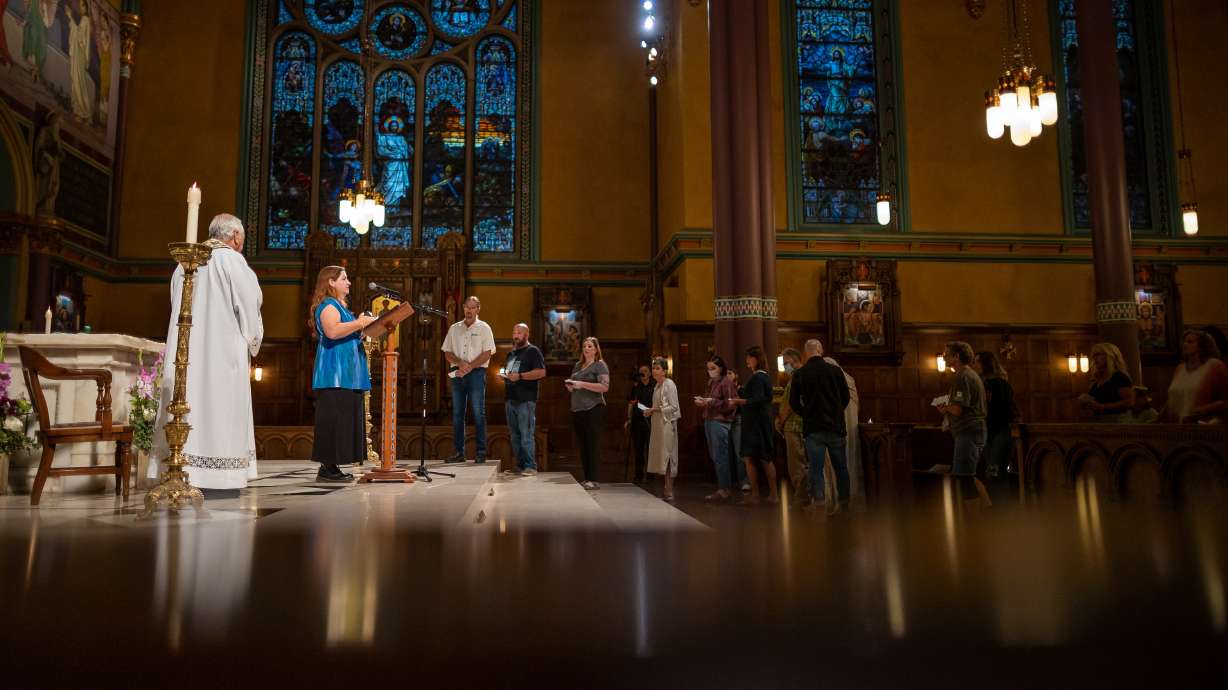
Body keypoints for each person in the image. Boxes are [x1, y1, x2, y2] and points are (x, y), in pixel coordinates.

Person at [149, 214, 264, 497]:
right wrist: (252, 339)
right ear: (235, 237)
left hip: (186, 354)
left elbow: (177, 304)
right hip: (223, 356)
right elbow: (249, 304)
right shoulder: (232, 261)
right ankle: (220, 477)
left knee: (189, 403)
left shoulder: (184, 263)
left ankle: (183, 468)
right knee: (220, 410)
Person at [307, 266, 392, 481]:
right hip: (334, 373)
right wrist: (359, 323)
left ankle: (332, 466)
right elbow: (332, 331)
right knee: (334, 420)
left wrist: (362, 330)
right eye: (344, 278)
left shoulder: (341, 307)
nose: (349, 282)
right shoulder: (328, 305)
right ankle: (327, 468)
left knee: (343, 420)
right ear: (331, 282)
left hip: (347, 373)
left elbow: (346, 331)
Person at [791, 339, 851, 516]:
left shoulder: (800, 374)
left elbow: (794, 402)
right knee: (841, 467)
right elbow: (845, 397)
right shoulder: (835, 371)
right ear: (821, 350)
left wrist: (807, 414)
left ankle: (819, 503)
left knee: (816, 469)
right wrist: (836, 413)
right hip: (835, 426)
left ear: (806, 352)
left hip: (813, 428)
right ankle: (844, 504)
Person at [935, 341, 990, 509]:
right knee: (970, 475)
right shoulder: (971, 374)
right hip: (975, 430)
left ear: (956, 356)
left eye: (946, 355)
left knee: (964, 477)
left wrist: (944, 407)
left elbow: (959, 409)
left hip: (968, 431)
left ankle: (974, 524)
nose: (944, 358)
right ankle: (988, 509)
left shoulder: (962, 376)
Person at [441, 296, 496, 463]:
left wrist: (469, 366)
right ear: (463, 308)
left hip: (476, 374)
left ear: (478, 309)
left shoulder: (484, 328)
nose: (469, 311)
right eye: (467, 307)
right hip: (458, 374)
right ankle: (459, 453)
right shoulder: (454, 328)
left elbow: (488, 353)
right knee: (458, 414)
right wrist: (460, 363)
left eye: (473, 307)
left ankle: (481, 453)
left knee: (479, 413)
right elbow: (447, 352)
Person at [730, 346, 777, 505]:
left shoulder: (758, 378)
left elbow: (758, 399)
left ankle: (758, 495)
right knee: (763, 457)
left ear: (756, 359)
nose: (747, 361)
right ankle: (772, 495)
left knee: (755, 458)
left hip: (755, 423)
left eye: (749, 358)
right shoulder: (762, 377)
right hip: (759, 422)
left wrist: (739, 401)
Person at [502, 323, 546, 476]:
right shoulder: (511, 354)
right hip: (510, 399)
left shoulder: (533, 351)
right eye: (514, 332)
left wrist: (520, 376)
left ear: (526, 334)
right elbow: (506, 371)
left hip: (525, 400)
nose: (516, 335)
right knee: (514, 436)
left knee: (526, 434)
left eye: (519, 332)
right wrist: (503, 374)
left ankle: (530, 466)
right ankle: (520, 466)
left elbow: (541, 372)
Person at [567, 337, 610, 490]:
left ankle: (594, 479)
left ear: (596, 349)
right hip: (578, 409)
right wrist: (571, 386)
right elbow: (573, 383)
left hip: (593, 408)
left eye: (590, 346)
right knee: (583, 445)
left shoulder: (600, 365)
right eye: (584, 346)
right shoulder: (578, 365)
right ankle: (587, 478)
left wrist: (582, 384)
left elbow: (604, 387)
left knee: (593, 444)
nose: (586, 348)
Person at [974, 350, 1017, 500]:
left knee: (997, 472)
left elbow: (1005, 411)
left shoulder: (1000, 384)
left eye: (977, 362)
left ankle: (1002, 510)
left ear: (986, 364)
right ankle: (996, 507)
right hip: (990, 435)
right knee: (991, 472)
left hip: (1000, 433)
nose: (975, 365)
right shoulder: (984, 384)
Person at [694, 355, 738, 502]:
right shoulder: (712, 383)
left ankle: (724, 489)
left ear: (721, 368)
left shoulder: (727, 382)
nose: (710, 371)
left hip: (720, 421)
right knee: (715, 456)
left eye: (713, 368)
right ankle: (722, 487)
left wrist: (712, 402)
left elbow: (731, 404)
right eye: (708, 369)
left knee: (721, 456)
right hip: (709, 420)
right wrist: (703, 401)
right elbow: (711, 400)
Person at [822, 349, 861, 506]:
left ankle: (833, 495)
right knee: (845, 460)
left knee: (834, 462)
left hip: (834, 427)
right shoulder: (849, 380)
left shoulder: (832, 381)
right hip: (849, 426)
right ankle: (844, 495)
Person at [1167, 329, 1228, 423]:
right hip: (1177, 426)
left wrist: (1206, 409)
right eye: (1184, 342)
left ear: (1202, 346)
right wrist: (1158, 419)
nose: (1185, 344)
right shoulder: (1180, 368)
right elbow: (1171, 399)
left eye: (1190, 342)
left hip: (1204, 425)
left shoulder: (1214, 365)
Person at [775, 348, 809, 508]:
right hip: (796, 424)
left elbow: (790, 403)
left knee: (796, 464)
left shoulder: (798, 375)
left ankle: (801, 498)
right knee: (799, 462)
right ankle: (802, 496)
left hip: (795, 425)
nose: (784, 367)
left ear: (794, 360)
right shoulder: (796, 376)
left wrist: (781, 420)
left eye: (786, 363)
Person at [644, 357, 681, 502]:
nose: (654, 371)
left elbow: (674, 407)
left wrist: (655, 409)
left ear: (664, 370)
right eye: (653, 368)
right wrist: (651, 411)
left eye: (658, 368)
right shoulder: (657, 386)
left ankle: (669, 488)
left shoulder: (669, 384)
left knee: (668, 455)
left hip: (666, 425)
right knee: (660, 456)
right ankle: (665, 487)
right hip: (658, 424)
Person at [1082, 342, 1135, 422]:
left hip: (1117, 421)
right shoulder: (1097, 380)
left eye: (1098, 354)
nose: (1094, 358)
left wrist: (1103, 406)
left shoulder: (1119, 376)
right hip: (1100, 420)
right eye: (1094, 355)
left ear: (1110, 356)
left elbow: (1129, 402)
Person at [625, 364, 654, 484]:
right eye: (641, 371)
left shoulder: (655, 386)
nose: (643, 373)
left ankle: (651, 475)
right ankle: (638, 475)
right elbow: (631, 403)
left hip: (651, 421)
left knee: (650, 449)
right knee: (638, 449)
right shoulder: (636, 387)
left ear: (650, 373)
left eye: (645, 371)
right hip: (637, 421)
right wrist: (629, 418)